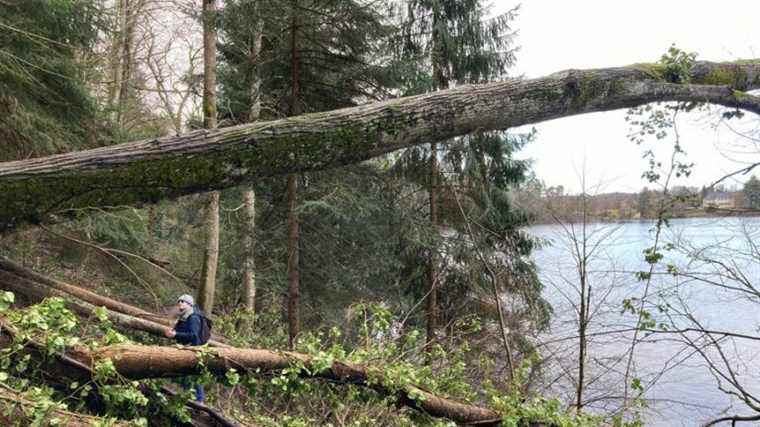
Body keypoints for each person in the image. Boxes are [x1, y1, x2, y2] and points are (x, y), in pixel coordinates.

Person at [164, 294, 205, 402]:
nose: (180, 303)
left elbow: (193, 335)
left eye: (183, 301)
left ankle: (199, 401)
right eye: (179, 301)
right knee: (184, 374)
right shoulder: (183, 317)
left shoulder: (193, 317)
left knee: (194, 375)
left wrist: (176, 334)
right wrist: (172, 333)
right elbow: (178, 332)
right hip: (185, 349)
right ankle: (187, 398)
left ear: (189, 304)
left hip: (194, 350)